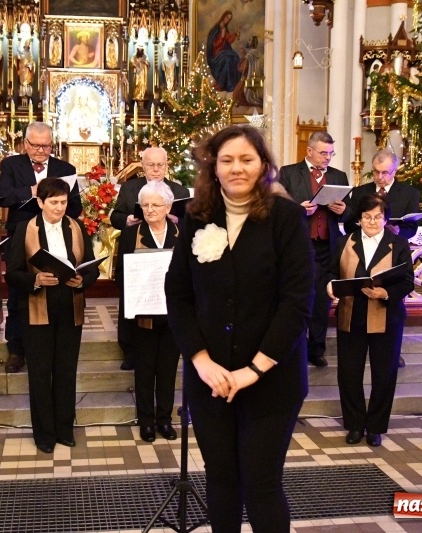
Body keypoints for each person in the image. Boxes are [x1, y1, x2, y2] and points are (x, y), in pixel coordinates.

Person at [166, 125, 314, 533]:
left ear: (264, 165)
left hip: (271, 379)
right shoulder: (196, 217)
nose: (236, 168)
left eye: (246, 159)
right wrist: (200, 360)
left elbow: (297, 303)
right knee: (221, 480)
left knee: (261, 483)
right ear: (213, 167)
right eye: (226, 160)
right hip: (211, 378)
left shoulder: (286, 217)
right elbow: (177, 295)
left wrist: (254, 369)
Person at [5, 177, 99, 453]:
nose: (59, 208)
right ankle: (44, 434)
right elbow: (12, 273)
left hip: (70, 305)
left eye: (63, 202)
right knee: (40, 371)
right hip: (36, 307)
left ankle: (64, 429)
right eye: (54, 202)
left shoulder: (76, 226)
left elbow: (91, 267)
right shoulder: (25, 228)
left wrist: (83, 280)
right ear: (40, 202)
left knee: (66, 370)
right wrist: (35, 281)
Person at [325, 193, 414, 447]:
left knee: (383, 374)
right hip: (351, 315)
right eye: (367, 217)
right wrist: (330, 285)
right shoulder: (345, 242)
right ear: (359, 219)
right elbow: (330, 272)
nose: (372, 222)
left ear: (385, 219)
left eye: (377, 217)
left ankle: (375, 427)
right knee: (349, 373)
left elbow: (407, 280)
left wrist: (386, 292)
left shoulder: (397, 244)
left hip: (386, 316)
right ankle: (354, 424)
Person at [0, 122, 81, 373]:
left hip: (56, 236)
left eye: (46, 145)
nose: (42, 150)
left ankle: (51, 343)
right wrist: (31, 192)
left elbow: (74, 207)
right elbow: (3, 197)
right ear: (25, 144)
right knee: (19, 291)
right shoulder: (12, 165)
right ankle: (16, 349)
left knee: (55, 288)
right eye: (36, 145)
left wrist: (56, 206)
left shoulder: (65, 168)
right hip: (22, 235)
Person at [110, 146, 189, 370]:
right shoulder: (130, 187)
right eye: (151, 165)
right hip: (136, 245)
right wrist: (127, 220)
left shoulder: (179, 190)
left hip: (168, 247)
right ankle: (130, 350)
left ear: (167, 166)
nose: (156, 169)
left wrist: (174, 218)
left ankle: (169, 345)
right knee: (132, 293)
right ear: (142, 166)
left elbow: (191, 223)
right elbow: (116, 216)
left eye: (160, 165)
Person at [115, 180, 181, 442]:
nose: (150, 210)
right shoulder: (131, 234)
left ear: (168, 207)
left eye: (156, 205)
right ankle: (146, 422)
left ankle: (164, 419)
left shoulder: (182, 232)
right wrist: (135, 289)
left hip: (173, 314)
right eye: (145, 205)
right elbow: (120, 274)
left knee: (167, 370)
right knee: (144, 370)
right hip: (143, 313)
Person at [342, 149, 420, 367]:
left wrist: (397, 232)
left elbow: (412, 228)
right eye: (376, 172)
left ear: (394, 170)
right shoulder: (360, 192)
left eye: (385, 172)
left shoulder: (409, 193)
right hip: (364, 249)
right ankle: (361, 345)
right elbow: (349, 225)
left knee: (391, 302)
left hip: (393, 252)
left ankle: (392, 350)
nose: (380, 177)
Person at [277, 131, 349, 368]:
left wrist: (342, 210)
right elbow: (276, 208)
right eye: (323, 153)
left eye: (331, 153)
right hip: (298, 246)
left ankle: (316, 349)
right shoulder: (288, 173)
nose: (327, 158)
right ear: (309, 151)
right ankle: (293, 348)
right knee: (296, 297)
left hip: (327, 246)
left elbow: (349, 214)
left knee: (322, 300)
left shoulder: (338, 175)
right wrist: (299, 209)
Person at [206, 10, 241, 93]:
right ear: (223, 16)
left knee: (235, 58)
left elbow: (228, 40)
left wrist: (235, 33)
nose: (228, 20)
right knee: (227, 60)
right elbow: (214, 45)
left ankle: (232, 84)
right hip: (216, 55)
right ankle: (222, 84)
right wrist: (222, 36)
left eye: (229, 19)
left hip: (224, 52)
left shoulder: (224, 29)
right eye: (227, 17)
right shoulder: (216, 29)